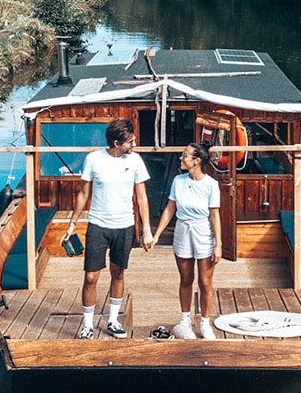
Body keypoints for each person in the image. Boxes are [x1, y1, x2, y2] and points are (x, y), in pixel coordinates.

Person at [63, 118, 152, 339]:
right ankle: (87, 325)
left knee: (118, 273)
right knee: (91, 277)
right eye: (130, 142)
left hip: (125, 226)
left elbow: (141, 197)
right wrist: (72, 223)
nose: (134, 144)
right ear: (115, 143)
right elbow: (83, 193)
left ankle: (112, 321)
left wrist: (147, 229)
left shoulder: (136, 160)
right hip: (98, 225)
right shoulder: (93, 159)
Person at [149, 141, 222, 340]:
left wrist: (218, 244)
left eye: (185, 155)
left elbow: (214, 215)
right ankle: (185, 319)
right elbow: (170, 209)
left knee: (205, 282)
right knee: (186, 279)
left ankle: (205, 323)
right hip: (182, 229)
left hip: (203, 232)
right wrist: (156, 236)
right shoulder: (178, 181)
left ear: (196, 161)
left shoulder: (211, 185)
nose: (181, 158)